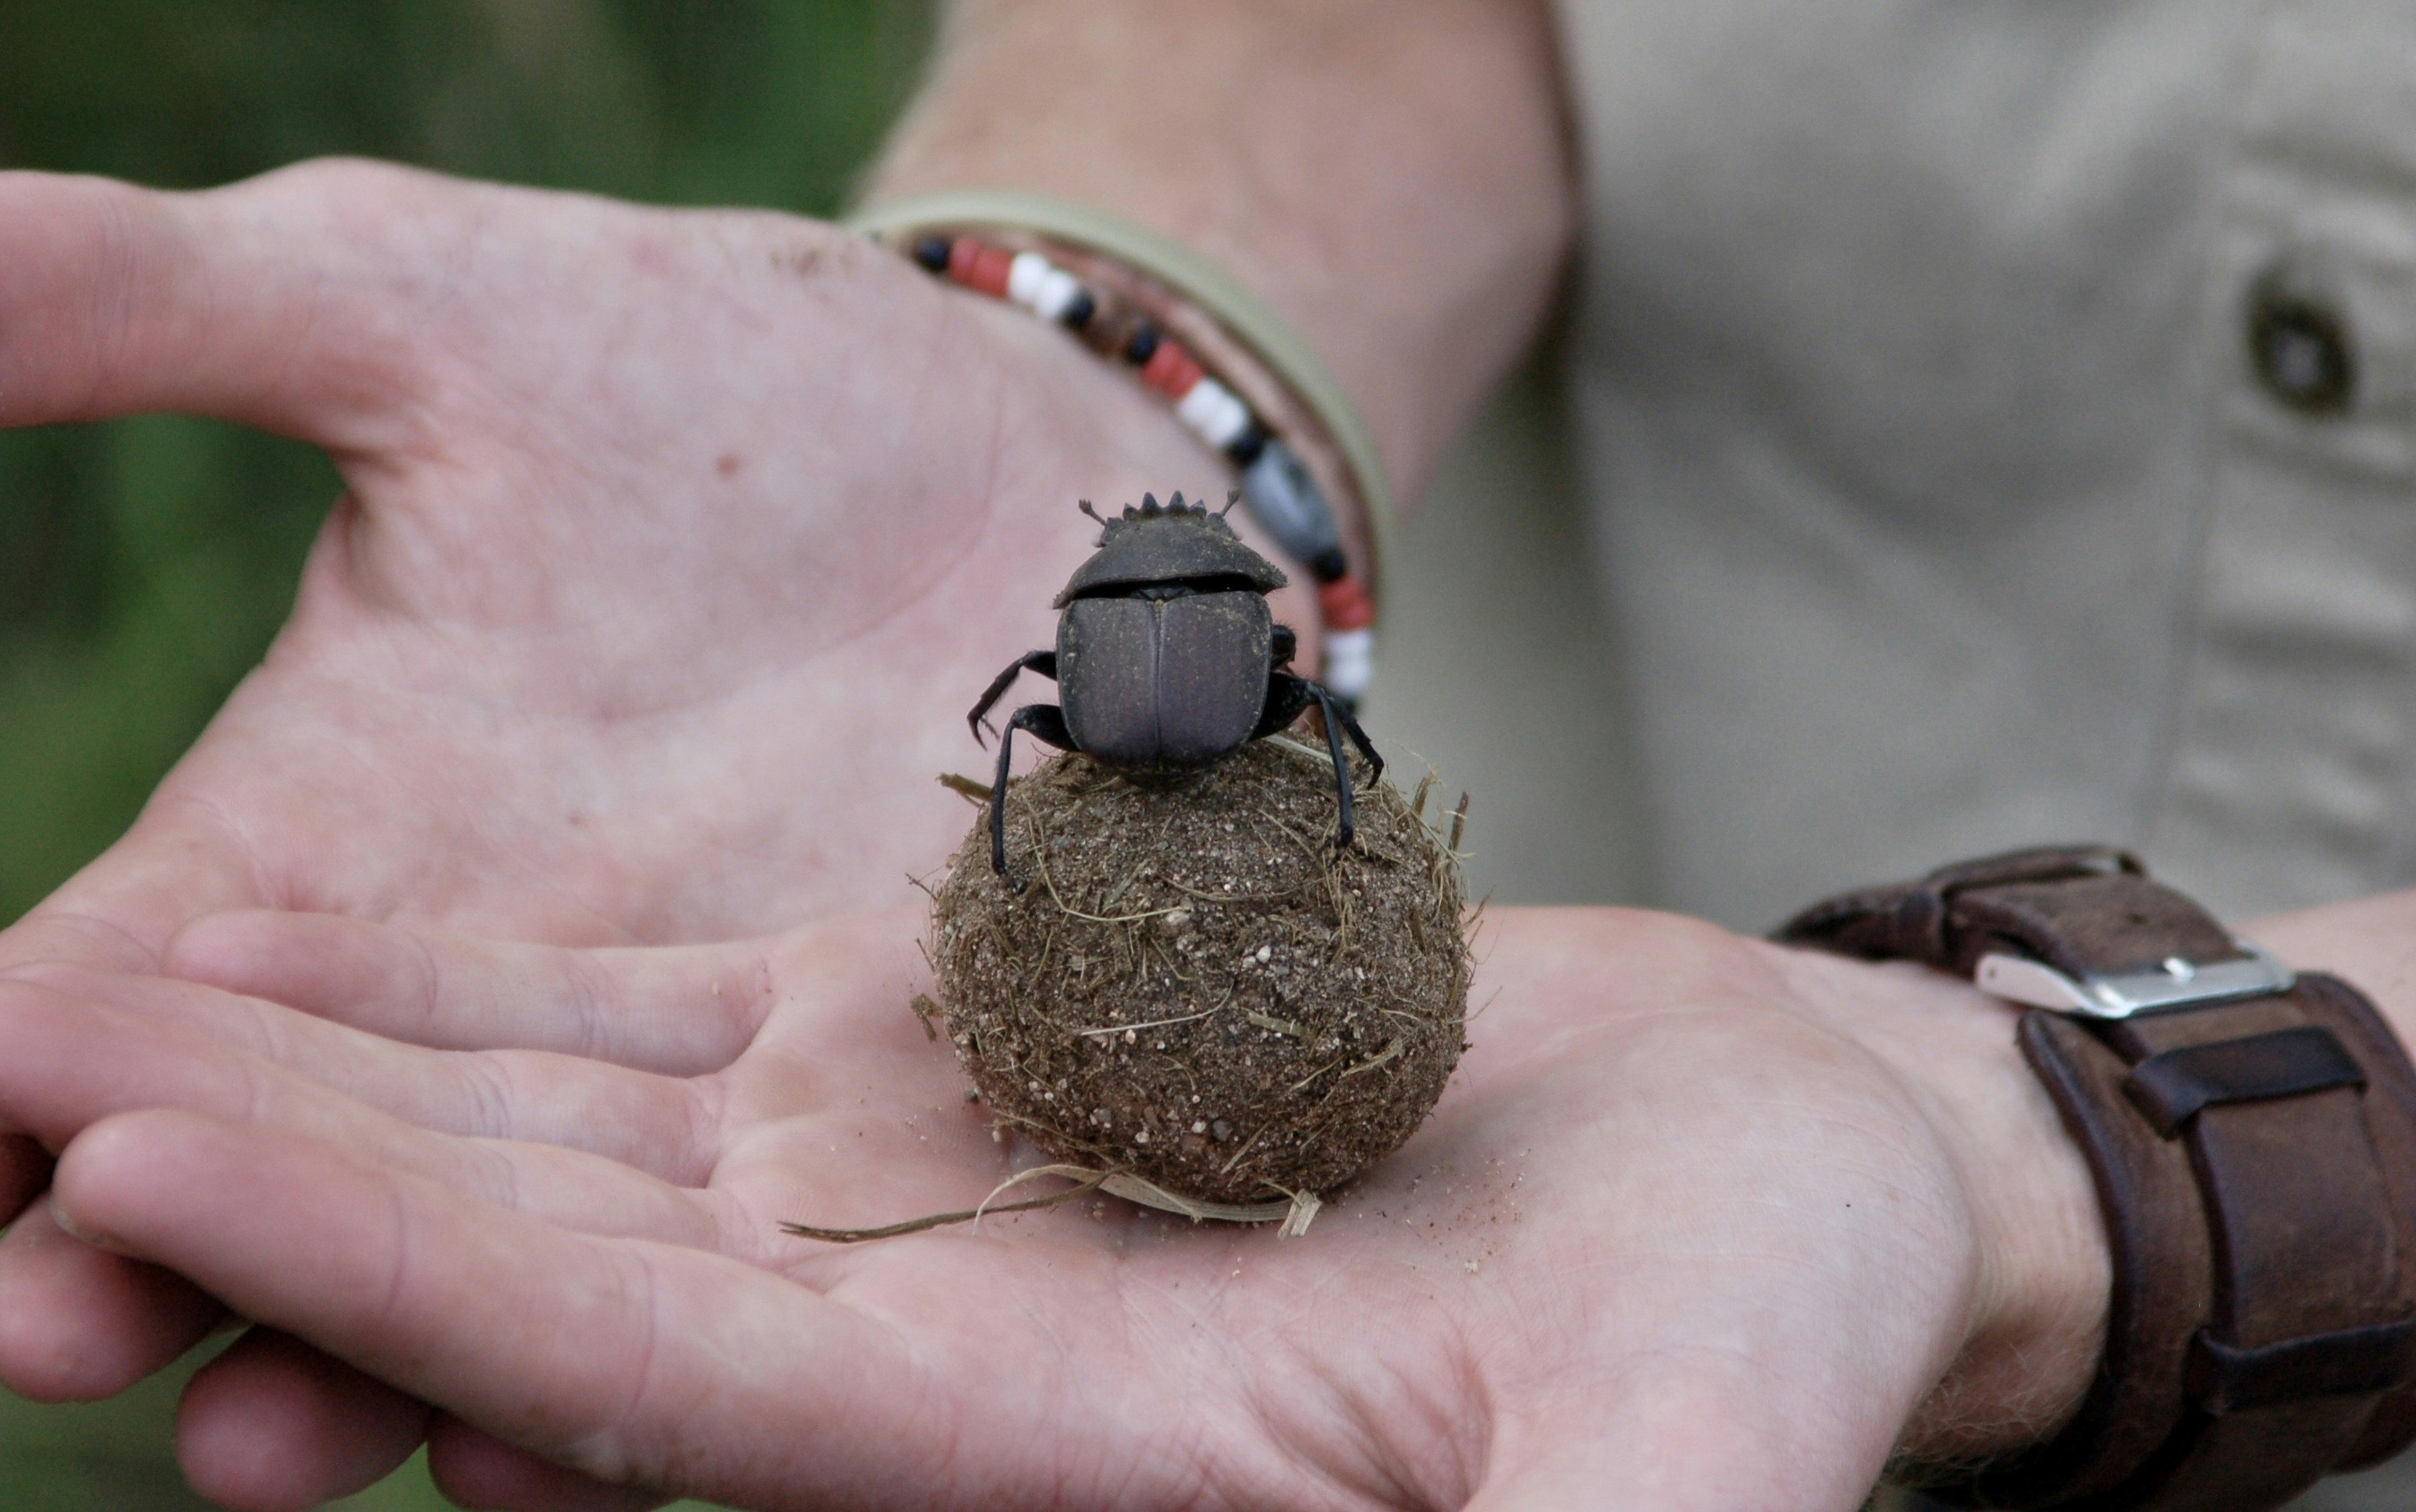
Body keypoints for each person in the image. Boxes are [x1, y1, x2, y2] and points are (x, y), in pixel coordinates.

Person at [1, 2, 2410, 1507]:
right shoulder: (1212, 662)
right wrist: (1135, 346)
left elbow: (1032, 730)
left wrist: (2075, 1162)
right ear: (1212, 610)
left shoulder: (1089, 669)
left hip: (1589, 1083)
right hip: (1531, 1062)